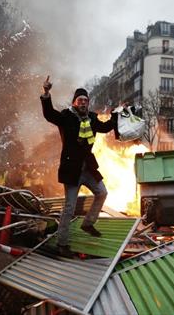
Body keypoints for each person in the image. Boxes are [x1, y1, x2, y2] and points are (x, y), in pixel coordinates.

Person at [40, 75, 117, 257]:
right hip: (72, 170)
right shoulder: (66, 117)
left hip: (88, 169)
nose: (83, 103)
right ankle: (62, 244)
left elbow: (106, 128)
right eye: (80, 100)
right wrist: (46, 93)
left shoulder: (92, 118)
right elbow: (49, 114)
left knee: (102, 192)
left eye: (85, 100)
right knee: (69, 207)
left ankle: (88, 223)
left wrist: (117, 114)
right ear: (75, 103)